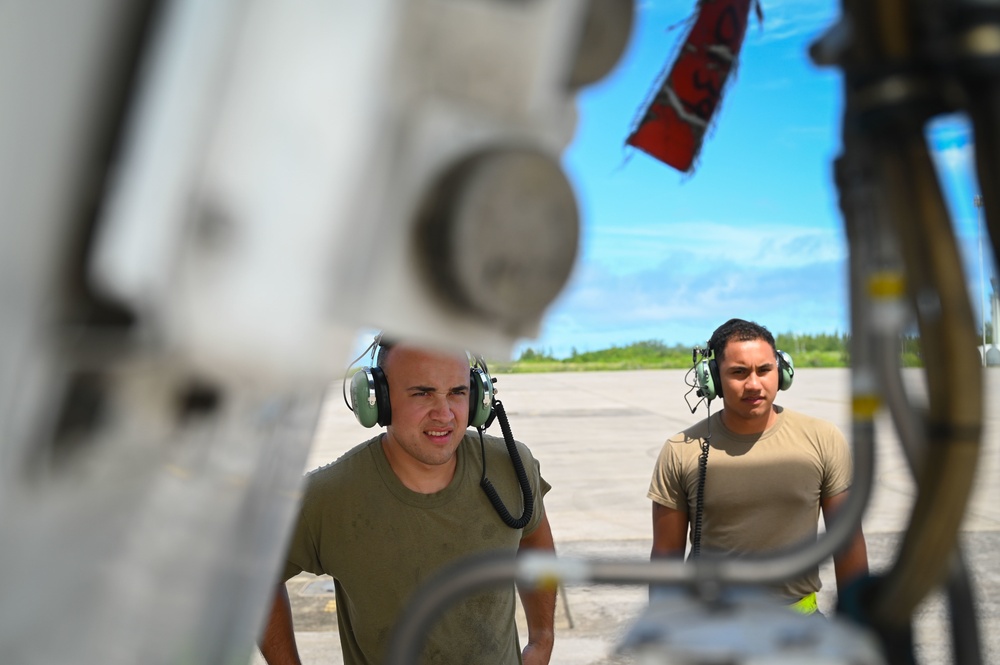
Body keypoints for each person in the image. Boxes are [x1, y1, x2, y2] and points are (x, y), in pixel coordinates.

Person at [259, 339, 555, 664]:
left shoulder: (512, 466)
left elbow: (534, 536)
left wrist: (542, 639)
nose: (444, 415)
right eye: (422, 393)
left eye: (457, 392)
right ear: (378, 401)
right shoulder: (328, 495)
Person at [648, 318, 868, 613]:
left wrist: (859, 624)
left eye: (764, 370)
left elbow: (847, 542)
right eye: (738, 373)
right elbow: (666, 557)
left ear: (782, 372)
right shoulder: (681, 450)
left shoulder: (823, 438)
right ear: (712, 379)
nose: (754, 384)